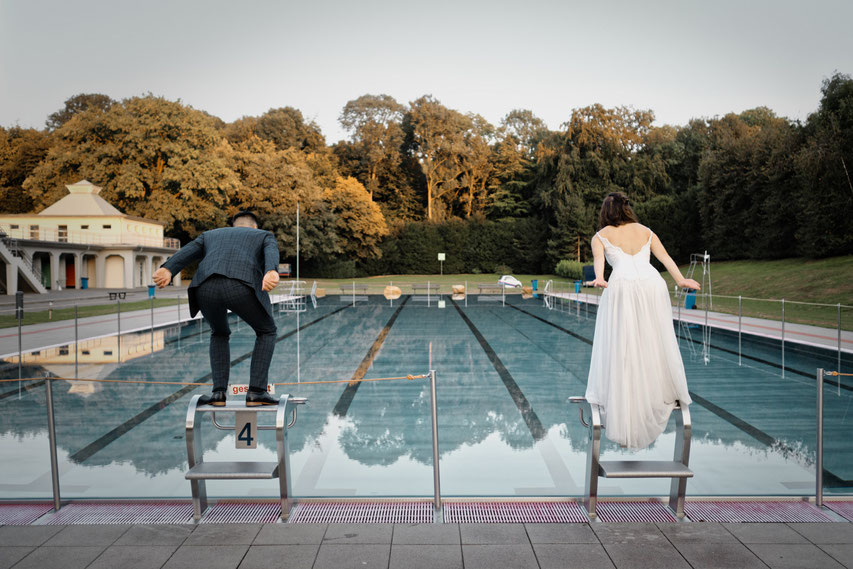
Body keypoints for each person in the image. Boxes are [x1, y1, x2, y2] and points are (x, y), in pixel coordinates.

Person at [585, 192, 701, 448]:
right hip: (652, 285)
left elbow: (599, 263)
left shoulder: (600, 236)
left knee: (623, 343)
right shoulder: (646, 231)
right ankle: (660, 389)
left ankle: (626, 396)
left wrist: (600, 279)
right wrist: (681, 280)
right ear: (627, 209)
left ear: (606, 212)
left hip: (623, 287)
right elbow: (666, 258)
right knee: (654, 339)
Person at [153, 211, 281, 406]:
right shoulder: (263, 235)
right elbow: (271, 252)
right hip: (240, 285)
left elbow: (188, 251)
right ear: (254, 226)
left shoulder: (211, 234)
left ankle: (218, 394)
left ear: (233, 226)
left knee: (219, 333)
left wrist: (168, 268)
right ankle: (256, 392)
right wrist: (271, 270)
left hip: (204, 288)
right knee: (267, 331)